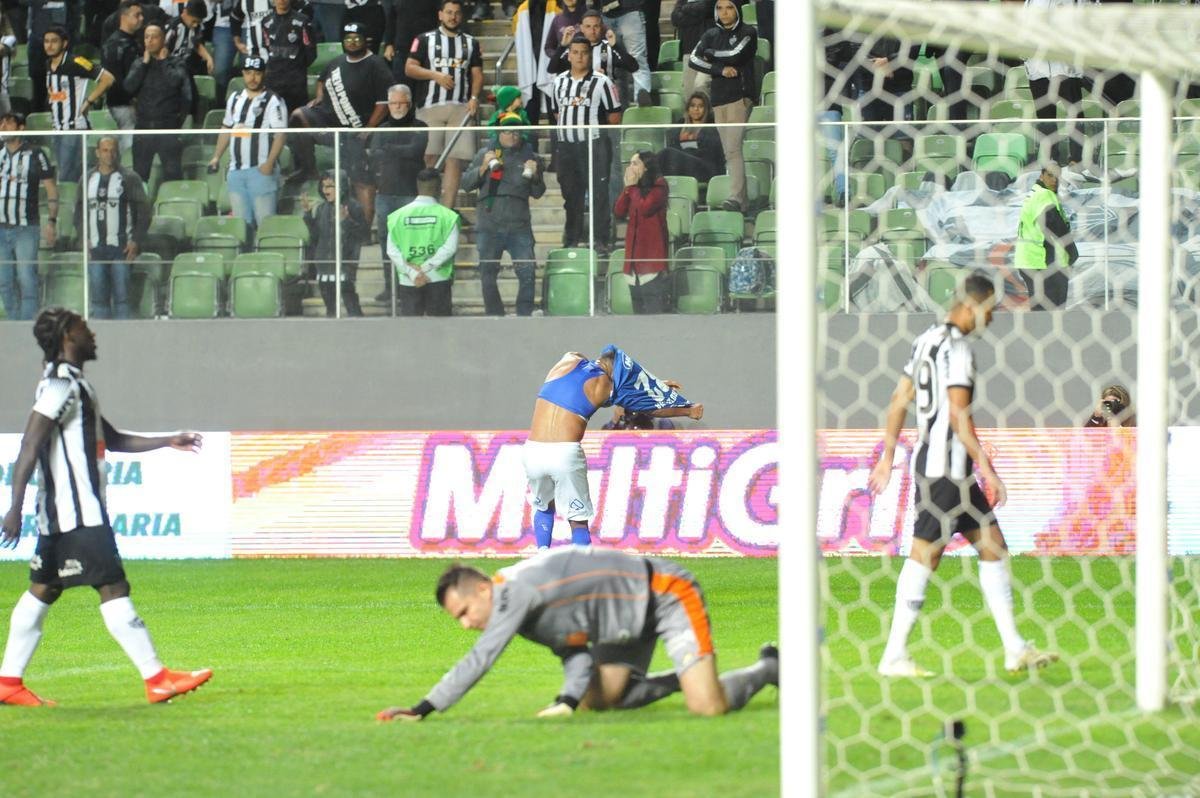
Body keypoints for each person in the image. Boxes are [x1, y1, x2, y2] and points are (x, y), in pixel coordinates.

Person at [0, 308, 214, 707]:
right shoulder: (60, 385)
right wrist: (14, 507)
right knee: (112, 586)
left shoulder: (77, 386)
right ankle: (157, 678)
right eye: (83, 328)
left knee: (43, 589)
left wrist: (167, 440)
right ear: (67, 336)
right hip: (78, 514)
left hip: (63, 515)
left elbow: (111, 438)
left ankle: (8, 683)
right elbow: (30, 444)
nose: (91, 333)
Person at [868, 272, 1059, 677]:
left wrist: (887, 456)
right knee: (926, 555)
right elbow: (958, 414)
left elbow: (898, 399)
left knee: (992, 547)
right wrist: (988, 467)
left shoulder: (925, 341)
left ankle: (1014, 649)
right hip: (946, 473)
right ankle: (893, 656)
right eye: (991, 309)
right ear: (975, 304)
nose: (992, 319)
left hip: (948, 470)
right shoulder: (959, 350)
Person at [375, 549, 777, 722]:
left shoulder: (515, 594)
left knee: (708, 708)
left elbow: (482, 657)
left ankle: (768, 667)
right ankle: (685, 677)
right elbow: (575, 652)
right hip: (619, 623)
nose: (465, 624)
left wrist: (422, 708)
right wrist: (567, 700)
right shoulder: (523, 609)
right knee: (596, 701)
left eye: (464, 613)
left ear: (482, 590)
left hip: (665, 595)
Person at [525, 345, 702, 548]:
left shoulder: (567, 361)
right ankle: (582, 571)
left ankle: (542, 556)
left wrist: (655, 385)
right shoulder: (604, 387)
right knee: (578, 520)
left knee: (545, 507)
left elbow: (579, 364)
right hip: (564, 452)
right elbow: (649, 407)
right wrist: (687, 411)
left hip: (532, 451)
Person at [288, 22, 392, 219]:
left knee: (361, 180)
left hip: (356, 130)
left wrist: (370, 127)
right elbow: (321, 80)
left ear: (365, 41)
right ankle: (307, 167)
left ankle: (364, 228)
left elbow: (384, 101)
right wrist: (319, 97)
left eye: (356, 39)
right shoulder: (336, 61)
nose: (352, 43)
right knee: (298, 115)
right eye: (348, 39)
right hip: (328, 119)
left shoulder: (376, 64)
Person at [462, 113, 544, 316]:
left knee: (527, 274)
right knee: (487, 274)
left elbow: (538, 192)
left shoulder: (530, 156)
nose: (513, 135)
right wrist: (483, 167)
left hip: (519, 225)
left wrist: (534, 176)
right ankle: (494, 315)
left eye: (517, 131)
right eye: (508, 130)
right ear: (499, 132)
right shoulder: (485, 152)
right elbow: (466, 184)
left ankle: (524, 314)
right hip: (489, 225)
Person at [405, 0, 484, 213]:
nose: (453, 17)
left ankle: (446, 210)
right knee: (429, 157)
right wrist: (435, 75)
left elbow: (477, 73)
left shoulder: (471, 42)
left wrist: (475, 97)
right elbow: (410, 68)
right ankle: (427, 205)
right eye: (449, 12)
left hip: (460, 107)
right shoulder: (424, 39)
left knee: (454, 160)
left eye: (457, 13)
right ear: (440, 14)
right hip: (430, 106)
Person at [550, 35, 622, 253]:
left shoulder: (602, 82)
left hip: (594, 145)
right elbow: (556, 112)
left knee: (599, 194)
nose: (580, 57)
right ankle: (571, 238)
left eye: (584, 52)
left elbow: (615, 116)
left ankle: (600, 239)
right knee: (571, 196)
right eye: (576, 52)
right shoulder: (558, 82)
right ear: (569, 55)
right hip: (567, 147)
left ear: (590, 55)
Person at [686, 0, 756, 213]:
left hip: (739, 96)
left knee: (733, 149)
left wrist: (711, 54)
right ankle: (740, 201)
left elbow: (735, 55)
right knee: (729, 151)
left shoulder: (748, 32)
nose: (724, 12)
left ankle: (735, 198)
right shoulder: (711, 34)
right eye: (719, 8)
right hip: (718, 98)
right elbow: (694, 60)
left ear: (736, 9)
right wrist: (720, 69)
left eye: (728, 8)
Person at [209, 56, 288, 232]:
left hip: (260, 170)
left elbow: (281, 135)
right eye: (248, 73)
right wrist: (216, 157)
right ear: (243, 74)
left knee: (265, 224)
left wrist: (268, 164)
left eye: (257, 73)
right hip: (236, 171)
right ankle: (244, 259)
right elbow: (226, 127)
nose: (252, 78)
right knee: (241, 225)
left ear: (264, 74)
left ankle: (265, 259)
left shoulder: (273, 100)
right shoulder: (235, 98)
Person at [368, 84, 429, 307]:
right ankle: (389, 285)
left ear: (409, 103)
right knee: (386, 243)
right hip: (385, 194)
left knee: (410, 243)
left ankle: (411, 285)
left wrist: (390, 149)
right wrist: (398, 149)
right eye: (393, 103)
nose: (397, 107)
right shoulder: (382, 128)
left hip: (410, 194)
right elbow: (374, 154)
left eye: (401, 103)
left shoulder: (420, 126)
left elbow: (415, 150)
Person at [84, 136, 150, 320]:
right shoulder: (87, 178)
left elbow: (144, 213)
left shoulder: (129, 178)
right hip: (96, 249)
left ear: (118, 152)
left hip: (121, 248)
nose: (109, 154)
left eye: (112, 150)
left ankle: (124, 341)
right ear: (97, 152)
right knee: (98, 299)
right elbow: (79, 213)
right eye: (105, 150)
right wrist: (84, 238)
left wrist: (135, 240)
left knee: (122, 298)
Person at [0, 112, 57, 322]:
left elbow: (51, 188)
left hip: (26, 227)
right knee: (4, 280)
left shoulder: (36, 154)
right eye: (2, 122)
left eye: (9, 122)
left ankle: (27, 325)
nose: (4, 126)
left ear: (22, 128)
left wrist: (52, 221)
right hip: (0, 226)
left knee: (26, 277)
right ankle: (14, 322)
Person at [43, 24, 116, 185]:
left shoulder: (76, 61)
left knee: (67, 176)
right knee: (65, 172)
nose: (49, 45)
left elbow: (108, 78)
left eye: (54, 41)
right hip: (57, 129)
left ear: (64, 43)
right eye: (46, 41)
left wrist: (89, 101)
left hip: (74, 128)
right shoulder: (48, 64)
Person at [385, 168, 459, 316]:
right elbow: (449, 248)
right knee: (441, 331)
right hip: (438, 277)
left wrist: (414, 272)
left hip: (409, 279)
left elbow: (391, 250)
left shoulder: (397, 216)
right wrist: (425, 268)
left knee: (411, 332)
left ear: (417, 187)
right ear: (439, 188)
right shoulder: (449, 216)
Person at [124, 23, 193, 182]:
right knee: (139, 177)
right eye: (147, 37)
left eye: (154, 37)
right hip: (143, 128)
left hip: (168, 127)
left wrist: (163, 62)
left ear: (163, 40)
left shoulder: (176, 63)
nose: (150, 41)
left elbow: (175, 83)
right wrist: (144, 64)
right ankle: (140, 207)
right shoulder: (139, 63)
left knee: (172, 174)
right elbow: (128, 87)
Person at [302, 170, 367, 317]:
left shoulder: (354, 207)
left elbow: (363, 234)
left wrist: (346, 221)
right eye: (324, 186)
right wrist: (307, 215)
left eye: (330, 186)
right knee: (330, 306)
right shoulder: (321, 208)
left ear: (341, 186)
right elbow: (316, 236)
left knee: (350, 302)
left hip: (345, 262)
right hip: (324, 262)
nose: (326, 190)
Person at [1015, 162, 1077, 310]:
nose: (1054, 180)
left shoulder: (1036, 193)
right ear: (1041, 176)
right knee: (1052, 312)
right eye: (1050, 175)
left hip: (1030, 261)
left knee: (1041, 312)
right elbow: (1054, 225)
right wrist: (1072, 251)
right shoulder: (1044, 196)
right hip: (1044, 262)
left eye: (1057, 176)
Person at [613, 149, 669, 314]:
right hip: (633, 262)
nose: (630, 168)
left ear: (646, 167)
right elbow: (618, 211)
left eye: (635, 163)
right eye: (629, 163)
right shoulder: (633, 189)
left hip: (651, 261)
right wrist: (627, 189)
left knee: (653, 315)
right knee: (638, 316)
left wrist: (631, 189)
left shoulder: (660, 186)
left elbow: (645, 208)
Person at [100, 0, 145, 152]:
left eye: (141, 15)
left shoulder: (134, 41)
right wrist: (131, 98)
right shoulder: (114, 44)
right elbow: (114, 79)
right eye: (137, 15)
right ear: (124, 17)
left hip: (132, 105)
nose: (141, 18)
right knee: (128, 151)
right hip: (121, 106)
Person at [262, 0, 316, 112]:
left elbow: (311, 52)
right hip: (273, 80)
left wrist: (297, 67)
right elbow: (266, 47)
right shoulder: (266, 21)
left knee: (296, 119)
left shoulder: (302, 21)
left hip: (295, 82)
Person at [660, 90, 724, 183]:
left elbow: (710, 155)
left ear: (706, 109)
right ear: (688, 108)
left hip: (704, 169)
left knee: (667, 153)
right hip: (682, 166)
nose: (696, 109)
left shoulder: (711, 127)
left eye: (700, 106)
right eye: (692, 106)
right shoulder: (679, 125)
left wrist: (683, 153)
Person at [513, 0, 557, 126]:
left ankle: (558, 146)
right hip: (531, 68)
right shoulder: (522, 9)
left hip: (553, 68)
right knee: (531, 115)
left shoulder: (557, 7)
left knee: (555, 117)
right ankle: (531, 146)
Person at [599, 0, 650, 105]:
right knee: (614, 66)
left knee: (638, 62)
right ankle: (619, 109)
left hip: (630, 11)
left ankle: (643, 110)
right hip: (604, 13)